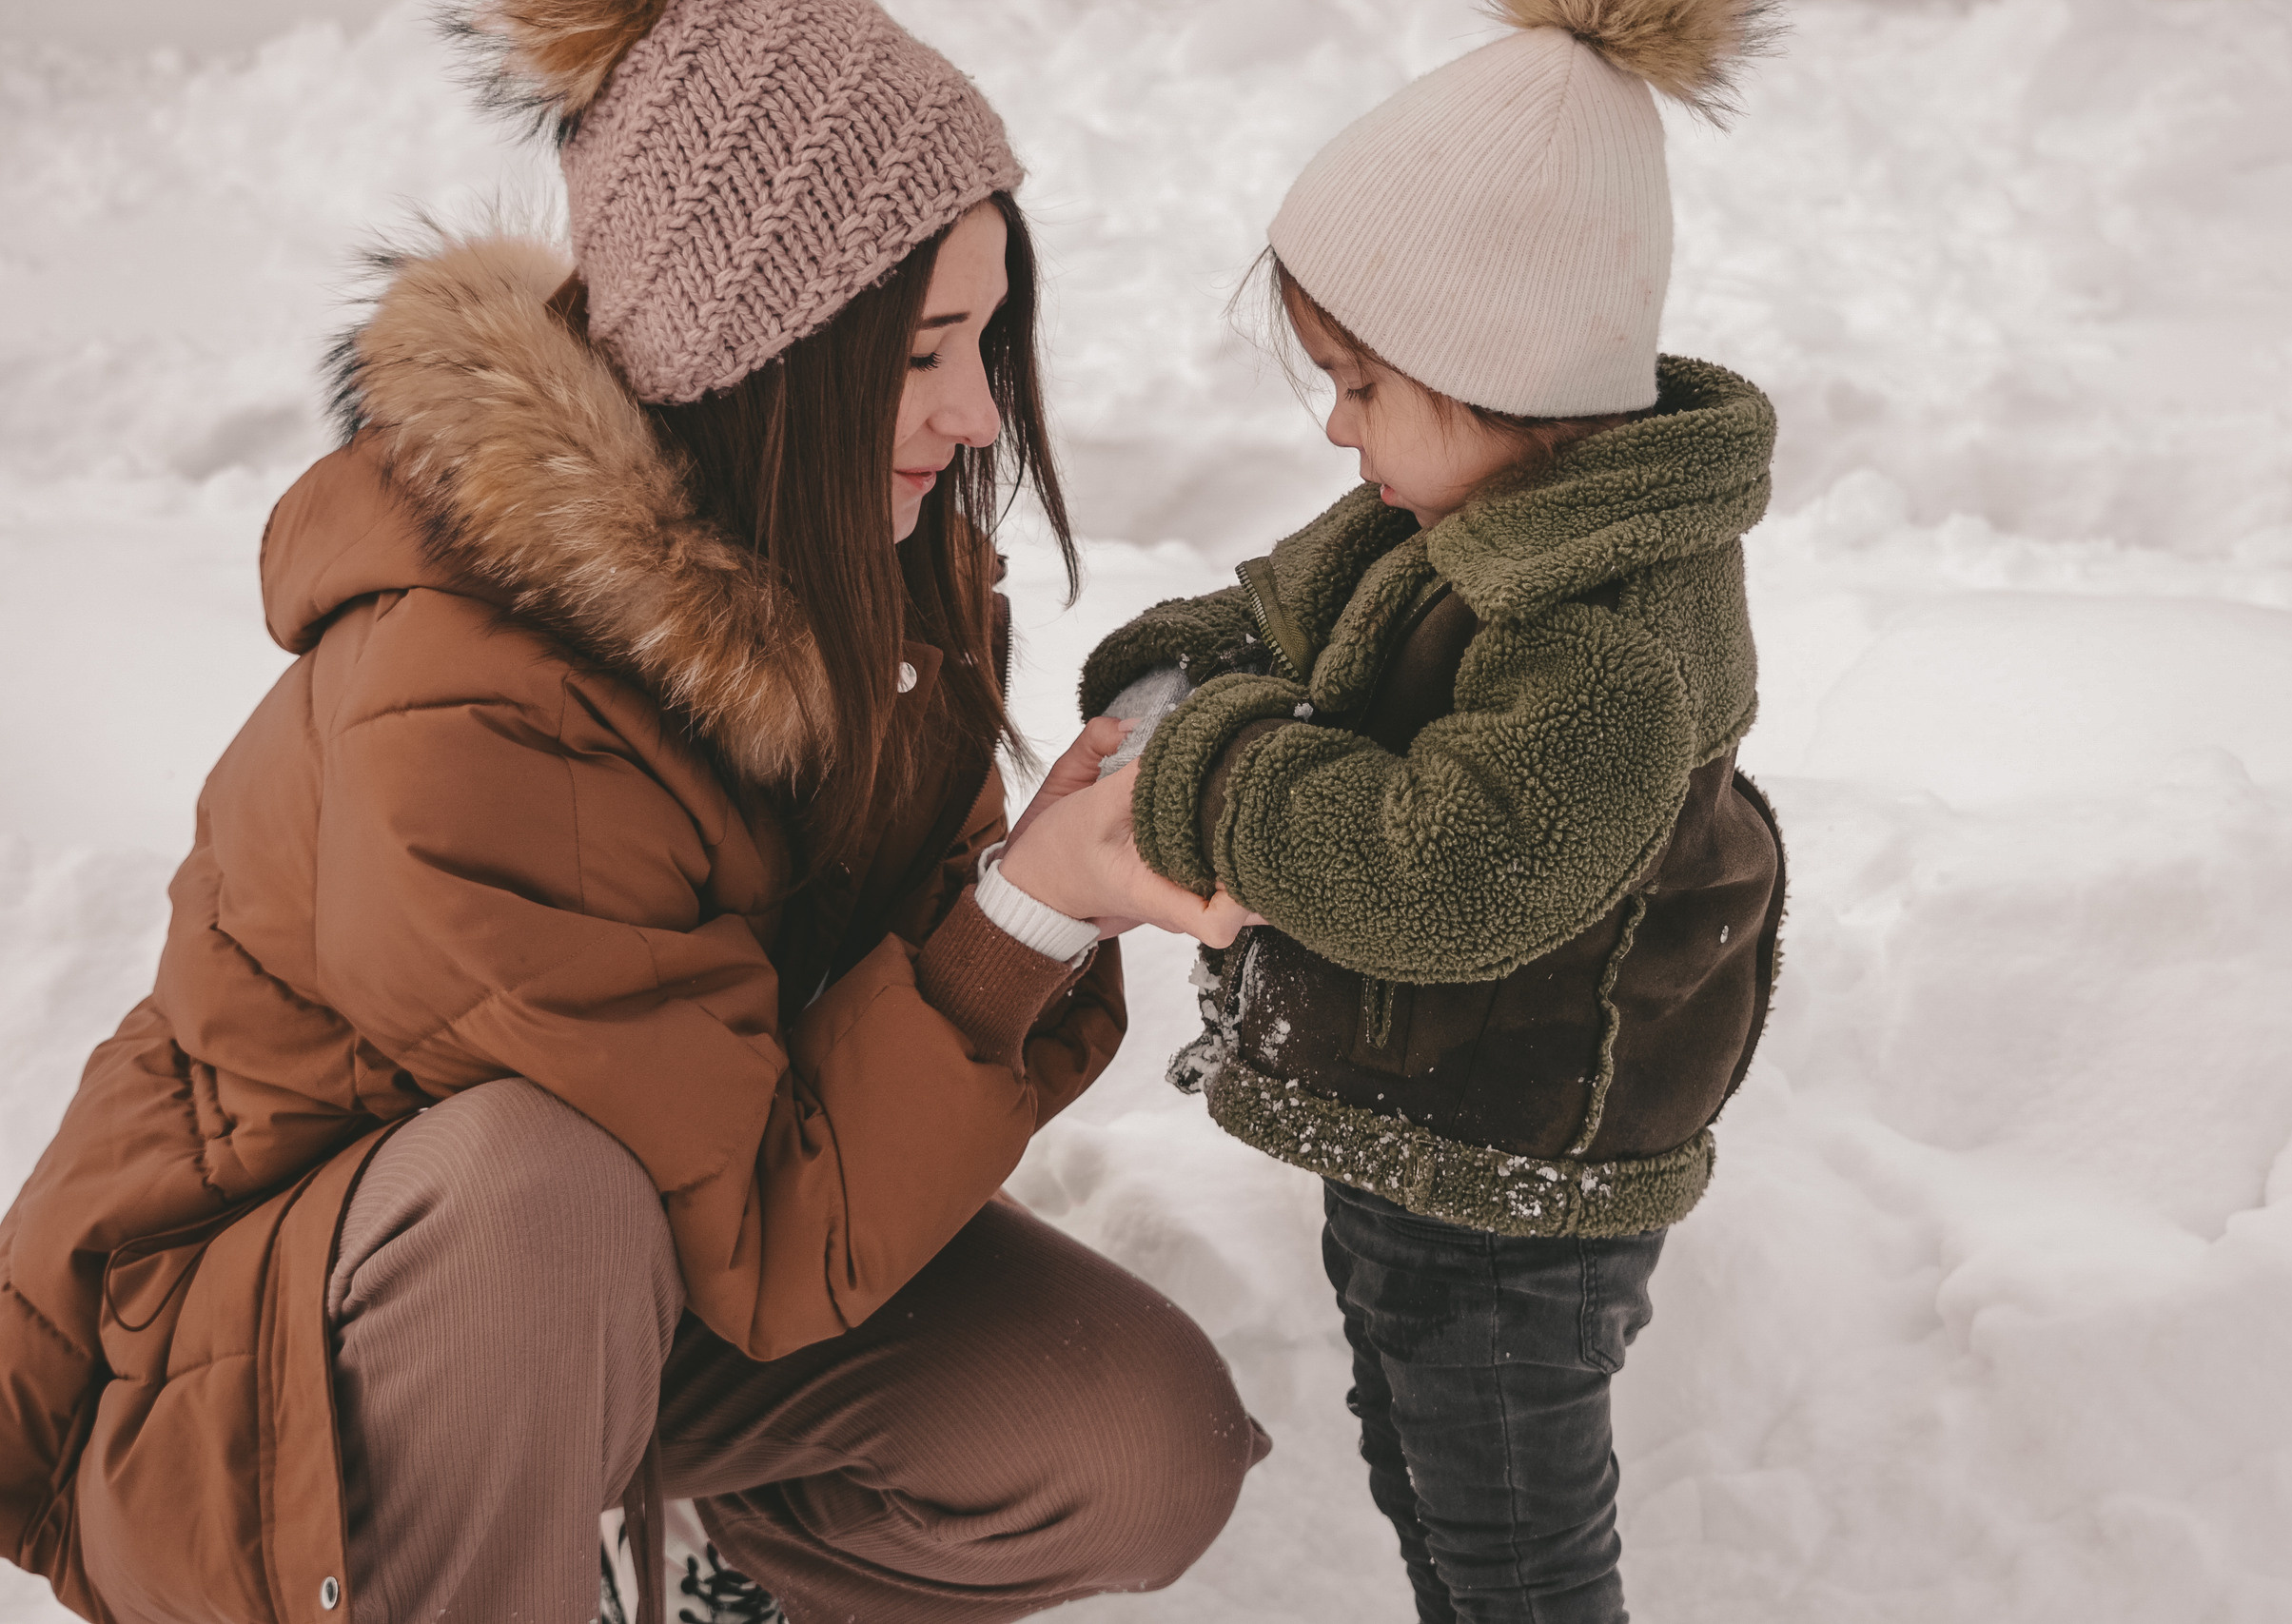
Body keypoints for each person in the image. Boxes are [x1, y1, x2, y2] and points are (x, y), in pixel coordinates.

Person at [0, 3, 1266, 1622]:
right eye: (921, 355)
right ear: (759, 361)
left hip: (663, 1256)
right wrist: (1025, 918)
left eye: (987, 343)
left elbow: (809, 1126)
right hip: (260, 1379)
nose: (976, 416)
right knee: (545, 1188)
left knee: (1129, 1443)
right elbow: (776, 1228)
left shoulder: (860, 573)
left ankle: (692, 1554)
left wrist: (1049, 876)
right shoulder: (467, 709)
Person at [1078, 1, 1788, 1618]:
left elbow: (1442, 875)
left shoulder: (1601, 636)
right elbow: (1272, 620)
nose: (1335, 423)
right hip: (1427, 1128)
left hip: (1518, 1186)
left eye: (1360, 383)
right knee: (1425, 1471)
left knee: (1517, 1546)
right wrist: (1161, 680)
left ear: (1497, 371)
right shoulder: (1459, 504)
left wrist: (1213, 763)